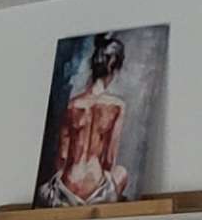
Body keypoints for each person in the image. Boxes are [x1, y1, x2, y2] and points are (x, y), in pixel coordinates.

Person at [45, 32, 135, 205]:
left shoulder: (72, 105)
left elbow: (62, 158)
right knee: (121, 172)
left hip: (68, 186)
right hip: (94, 189)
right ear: (113, 66)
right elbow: (109, 160)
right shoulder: (117, 106)